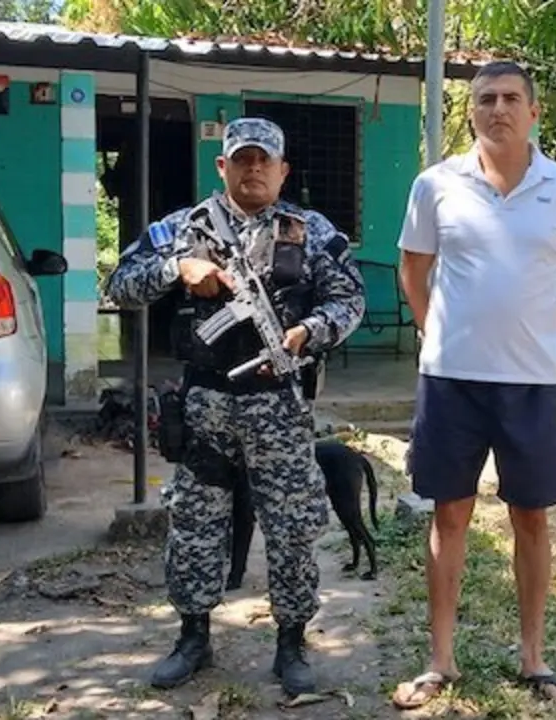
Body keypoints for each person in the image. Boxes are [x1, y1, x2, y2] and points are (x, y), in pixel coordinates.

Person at [103, 117, 366, 698]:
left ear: (282, 170)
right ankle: (192, 637)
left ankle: (291, 642)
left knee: (293, 528)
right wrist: (179, 268)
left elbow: (350, 301)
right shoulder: (183, 228)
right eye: (241, 159)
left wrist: (307, 332)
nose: (253, 169)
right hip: (206, 406)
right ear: (222, 167)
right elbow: (119, 284)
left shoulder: (311, 231)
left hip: (280, 406)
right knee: (196, 525)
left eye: (264, 160)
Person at [390, 60, 556, 709]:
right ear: (471, 111)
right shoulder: (436, 185)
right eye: (486, 99)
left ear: (534, 112)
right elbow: (413, 271)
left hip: (532, 382)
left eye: (511, 98)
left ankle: (533, 659)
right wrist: (442, 335)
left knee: (530, 516)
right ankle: (440, 661)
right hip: (451, 380)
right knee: (449, 513)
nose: (498, 108)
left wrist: (527, 332)